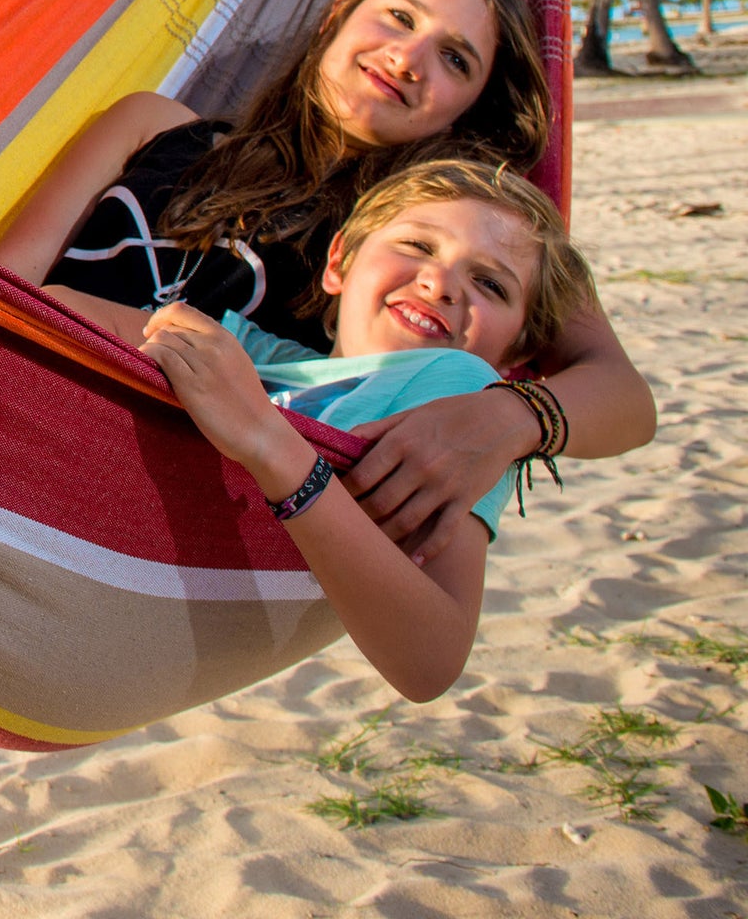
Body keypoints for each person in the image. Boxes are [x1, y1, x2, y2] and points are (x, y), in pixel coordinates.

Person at [0, 0, 655, 555]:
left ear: (470, 109)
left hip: (164, 526)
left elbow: (625, 399)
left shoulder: (416, 248)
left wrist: (513, 416)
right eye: (398, 17)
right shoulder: (149, 126)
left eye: (455, 59)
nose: (406, 58)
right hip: (0, 432)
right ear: (340, 14)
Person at [46, 160, 596, 702]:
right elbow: (60, 314)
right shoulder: (252, 347)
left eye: (490, 284)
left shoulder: (460, 392)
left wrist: (272, 446)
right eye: (418, 246)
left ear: (517, 353)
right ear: (339, 263)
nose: (439, 283)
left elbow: (432, 661)